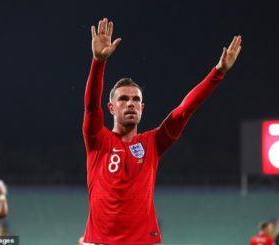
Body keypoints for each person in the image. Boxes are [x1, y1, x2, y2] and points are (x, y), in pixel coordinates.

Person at [81, 17, 242, 245]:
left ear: (143, 107)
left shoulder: (153, 142)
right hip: (99, 241)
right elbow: (90, 106)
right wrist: (98, 62)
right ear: (111, 107)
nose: (130, 104)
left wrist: (218, 72)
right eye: (124, 99)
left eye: (136, 100)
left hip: (143, 241)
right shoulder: (97, 140)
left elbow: (184, 110)